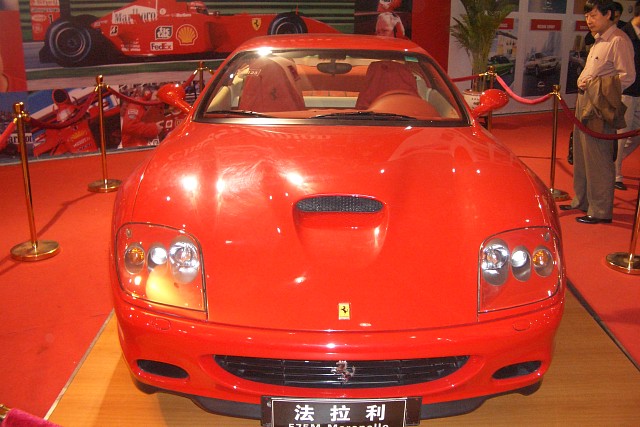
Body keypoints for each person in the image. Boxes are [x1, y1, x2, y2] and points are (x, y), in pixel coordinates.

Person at [560, 0, 635, 224]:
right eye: (586, 16)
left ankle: (600, 210)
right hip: (585, 100)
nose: (589, 21)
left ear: (609, 14)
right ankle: (582, 200)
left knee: (598, 158)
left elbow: (628, 76)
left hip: (599, 104)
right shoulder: (598, 40)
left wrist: (597, 87)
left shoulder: (618, 40)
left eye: (593, 15)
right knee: (582, 155)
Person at [615, 0, 640, 190]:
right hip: (626, 93)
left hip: (639, 93)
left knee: (636, 134)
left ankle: (609, 163)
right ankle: (615, 174)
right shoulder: (623, 35)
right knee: (621, 135)